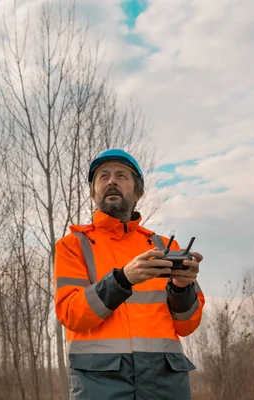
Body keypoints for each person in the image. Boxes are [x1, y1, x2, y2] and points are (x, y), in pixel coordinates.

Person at [53, 149, 204, 400]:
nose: (111, 181)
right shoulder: (74, 245)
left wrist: (181, 288)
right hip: (101, 386)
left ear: (137, 192)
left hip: (165, 384)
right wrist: (122, 280)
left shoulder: (166, 247)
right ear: (93, 193)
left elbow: (187, 324)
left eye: (121, 175)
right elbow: (71, 314)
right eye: (103, 176)